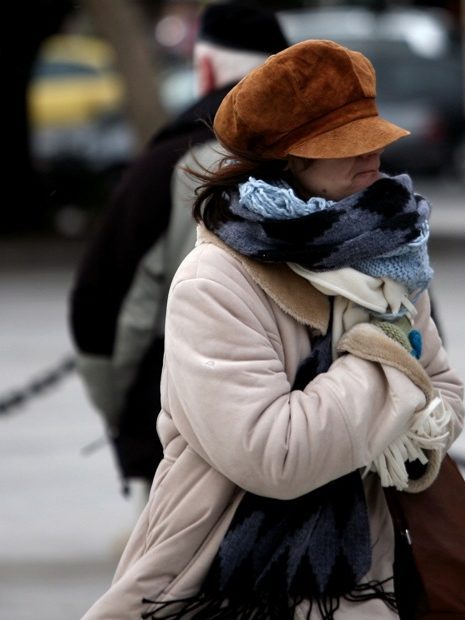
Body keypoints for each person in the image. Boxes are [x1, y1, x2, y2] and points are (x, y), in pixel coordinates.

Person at [83, 39, 465, 619]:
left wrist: (395, 404)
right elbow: (277, 456)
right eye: (346, 146)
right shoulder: (214, 281)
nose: (373, 158)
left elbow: (447, 402)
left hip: (371, 577)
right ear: (289, 160)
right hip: (217, 583)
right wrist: (382, 357)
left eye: (374, 139)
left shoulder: (389, 256)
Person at [69, 3, 290, 494]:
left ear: (206, 68)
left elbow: (102, 305)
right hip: (316, 432)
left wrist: (125, 419)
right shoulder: (336, 155)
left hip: (187, 428)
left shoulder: (165, 164)